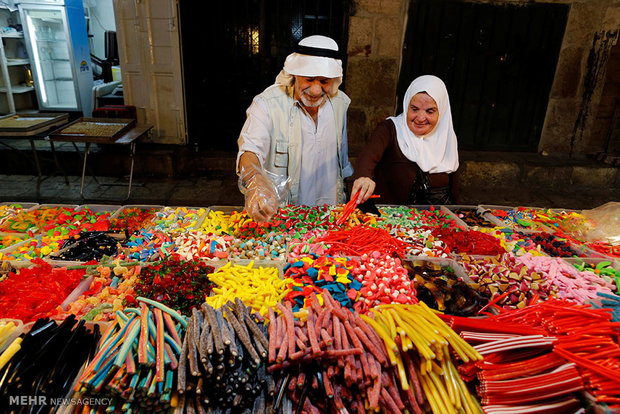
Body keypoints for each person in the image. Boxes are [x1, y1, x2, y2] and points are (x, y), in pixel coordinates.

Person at [236, 35, 353, 222]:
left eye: (324, 81)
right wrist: (254, 180)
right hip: (284, 216)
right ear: (295, 74)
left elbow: (342, 161)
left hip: (331, 214)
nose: (316, 90)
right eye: (309, 79)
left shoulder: (340, 103)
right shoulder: (266, 104)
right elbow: (250, 149)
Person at [351, 75, 459, 205]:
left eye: (430, 111)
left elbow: (454, 190)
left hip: (437, 220)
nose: (420, 118)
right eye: (414, 109)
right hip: (392, 220)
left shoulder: (446, 136)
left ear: (441, 112)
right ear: (406, 105)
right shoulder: (390, 129)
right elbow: (368, 156)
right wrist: (364, 177)